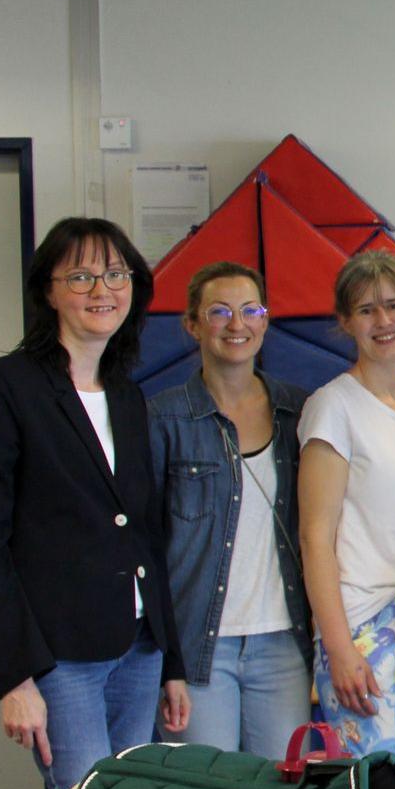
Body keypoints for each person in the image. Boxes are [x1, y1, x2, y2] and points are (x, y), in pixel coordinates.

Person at [0, 217, 189, 789]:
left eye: (115, 274)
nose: (100, 290)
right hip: (60, 659)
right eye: (81, 276)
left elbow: (146, 536)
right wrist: (13, 677)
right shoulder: (4, 389)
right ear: (50, 291)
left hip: (139, 647)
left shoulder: (130, 396)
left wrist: (170, 661)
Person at [150, 261, 312, 756]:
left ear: (265, 321)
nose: (236, 324)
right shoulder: (163, 417)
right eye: (219, 311)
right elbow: (146, 547)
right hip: (199, 649)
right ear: (192, 324)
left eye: (250, 310)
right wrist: (164, 661)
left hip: (283, 644)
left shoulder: (300, 411)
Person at [298, 251, 395, 778]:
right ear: (345, 322)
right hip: (362, 633)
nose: (383, 322)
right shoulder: (333, 407)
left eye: (393, 305)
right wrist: (338, 648)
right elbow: (315, 538)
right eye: (366, 311)